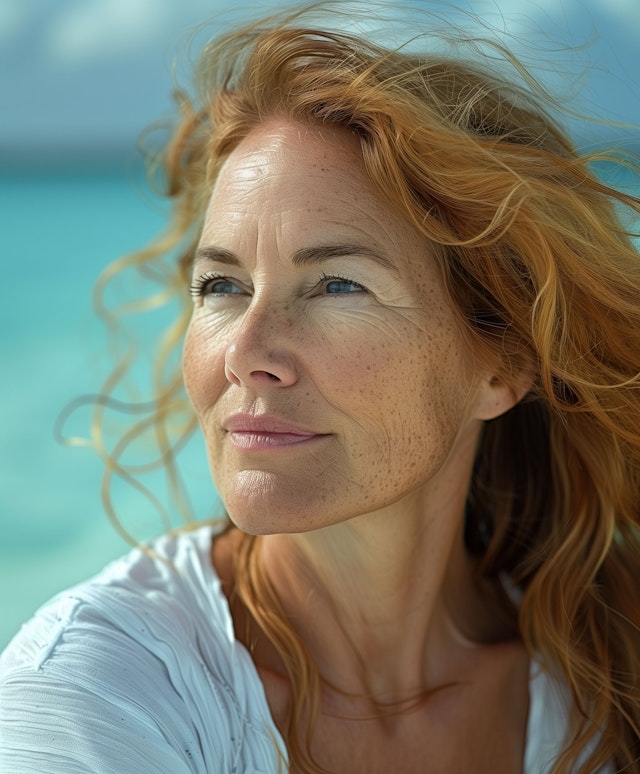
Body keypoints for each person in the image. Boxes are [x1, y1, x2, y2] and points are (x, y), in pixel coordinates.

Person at [1, 3, 639, 772]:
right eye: (223, 286)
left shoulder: (608, 672)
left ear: (501, 365)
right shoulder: (100, 695)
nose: (246, 352)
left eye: (337, 284)